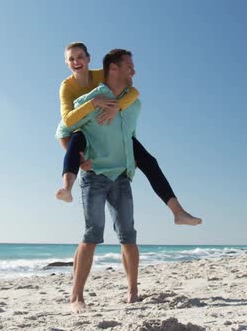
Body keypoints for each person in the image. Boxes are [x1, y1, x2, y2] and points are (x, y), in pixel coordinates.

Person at [55, 42, 202, 226]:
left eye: (80, 57)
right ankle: (67, 188)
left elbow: (133, 91)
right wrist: (93, 103)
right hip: (77, 131)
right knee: (77, 142)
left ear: (88, 59)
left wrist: (117, 106)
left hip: (107, 129)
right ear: (66, 63)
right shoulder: (67, 86)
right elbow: (67, 121)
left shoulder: (102, 74)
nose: (76, 61)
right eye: (71, 59)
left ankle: (178, 212)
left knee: (148, 161)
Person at [56, 49, 141, 313]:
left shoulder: (133, 101)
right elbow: (63, 128)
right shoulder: (85, 96)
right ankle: (76, 297)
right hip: (94, 177)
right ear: (113, 69)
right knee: (92, 235)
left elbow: (130, 135)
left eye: (80, 56)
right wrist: (80, 157)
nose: (134, 70)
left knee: (128, 236)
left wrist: (118, 106)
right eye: (129, 65)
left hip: (121, 176)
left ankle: (133, 291)